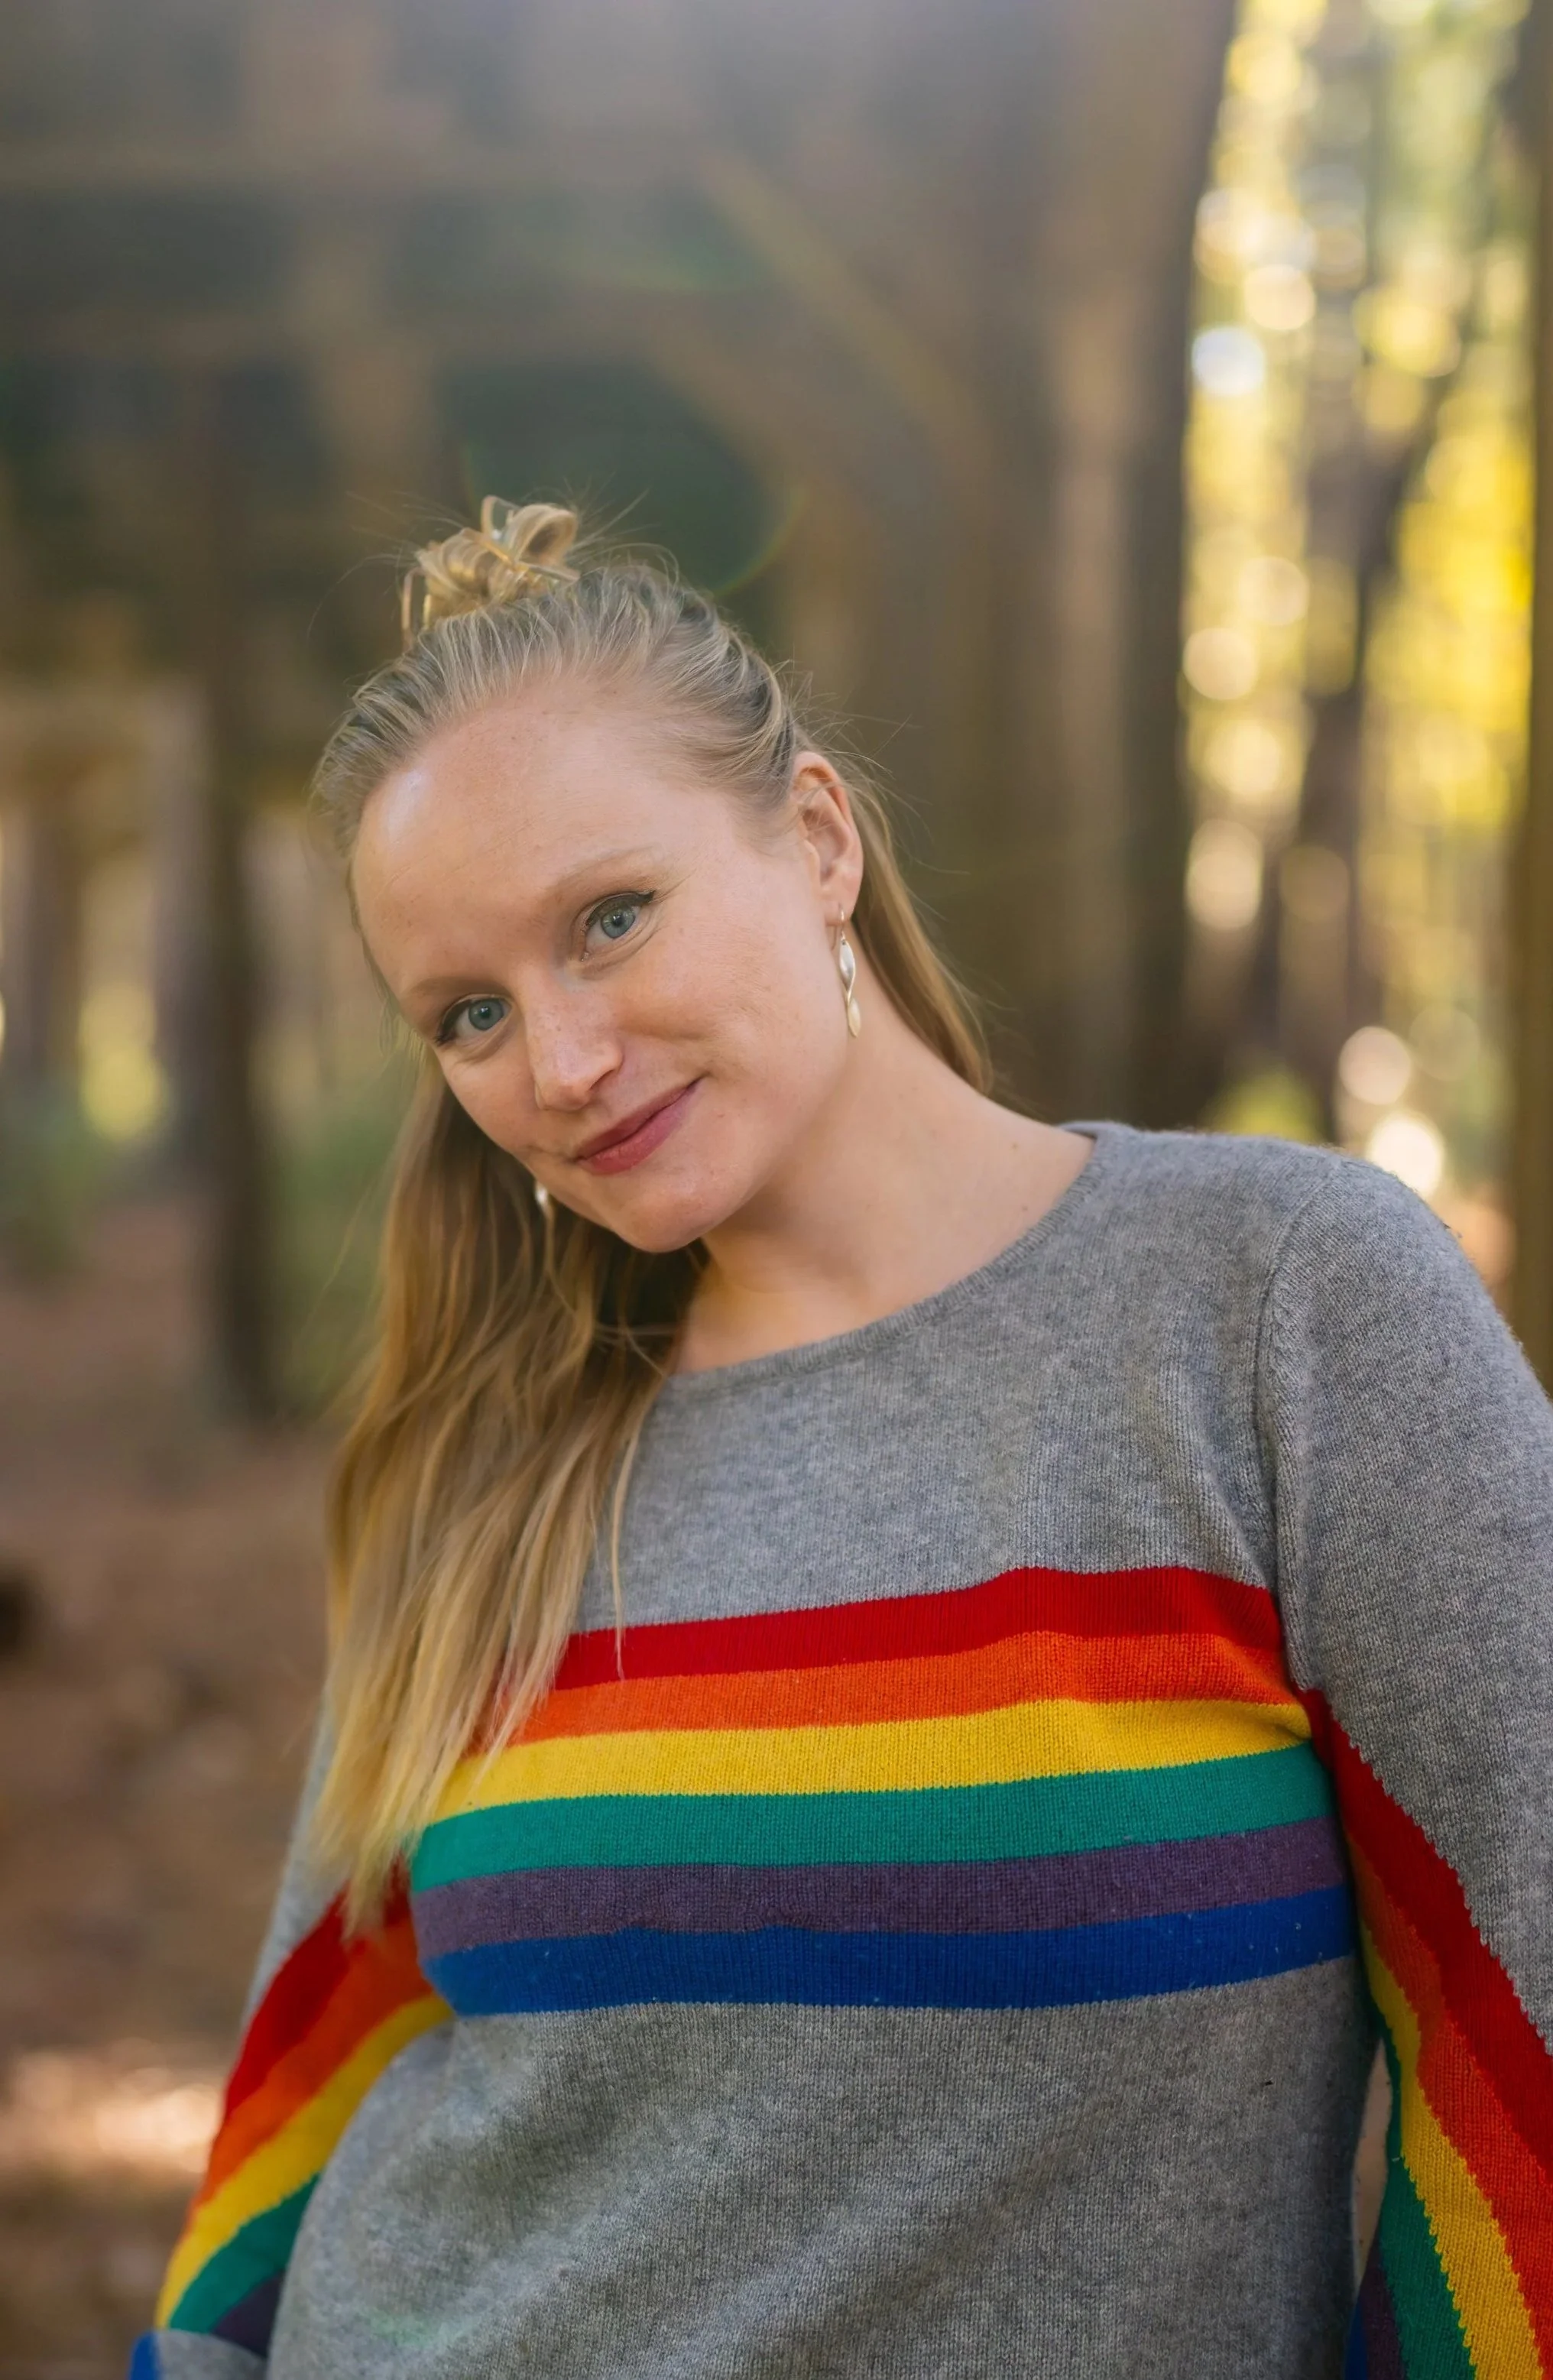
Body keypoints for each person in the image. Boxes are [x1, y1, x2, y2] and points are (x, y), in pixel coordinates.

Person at [134, 501, 1553, 2380]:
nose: (560, 1065)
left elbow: (1521, 2034)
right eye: (468, 1015)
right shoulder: (498, 1461)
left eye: (609, 920)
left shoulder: (1274, 1305)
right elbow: (305, 2096)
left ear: (815, 838)